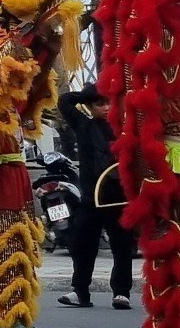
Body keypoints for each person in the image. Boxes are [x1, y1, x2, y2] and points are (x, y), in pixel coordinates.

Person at [54, 85, 135, 311]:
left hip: (118, 197)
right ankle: (80, 291)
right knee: (83, 246)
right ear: (90, 106)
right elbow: (64, 101)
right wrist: (89, 92)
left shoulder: (124, 127)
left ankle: (121, 292)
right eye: (99, 103)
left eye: (108, 102)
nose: (106, 107)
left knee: (122, 246)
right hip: (91, 198)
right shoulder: (84, 125)